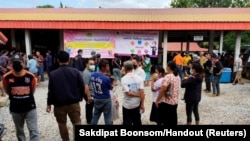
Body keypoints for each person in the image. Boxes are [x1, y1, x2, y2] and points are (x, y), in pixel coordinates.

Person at [46, 51, 86, 141]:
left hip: (59, 105)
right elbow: (82, 86)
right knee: (77, 122)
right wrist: (81, 96)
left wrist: (49, 104)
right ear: (68, 59)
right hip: (74, 103)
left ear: (57, 60)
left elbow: (50, 91)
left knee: (62, 123)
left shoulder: (53, 74)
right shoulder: (75, 72)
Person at [2, 57, 40, 141]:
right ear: (11, 65)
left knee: (33, 130)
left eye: (19, 63)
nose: (17, 65)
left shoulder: (30, 76)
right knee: (19, 130)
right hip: (15, 109)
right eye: (14, 63)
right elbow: (7, 90)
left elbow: (32, 90)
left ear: (23, 63)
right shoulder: (6, 77)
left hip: (30, 107)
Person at [155, 61, 181, 126]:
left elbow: (163, 89)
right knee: (173, 119)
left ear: (168, 67)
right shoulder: (177, 76)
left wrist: (157, 100)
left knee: (166, 120)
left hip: (167, 102)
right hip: (175, 101)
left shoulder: (168, 76)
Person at [121, 61, 144, 125]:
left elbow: (128, 93)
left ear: (125, 68)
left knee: (127, 122)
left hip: (127, 105)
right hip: (137, 104)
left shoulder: (123, 79)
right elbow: (142, 92)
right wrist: (142, 104)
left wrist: (137, 95)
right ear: (132, 68)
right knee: (137, 121)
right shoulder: (139, 78)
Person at [91, 59, 112, 125]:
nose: (108, 67)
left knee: (95, 116)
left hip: (96, 97)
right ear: (103, 67)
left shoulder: (93, 74)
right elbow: (110, 88)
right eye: (107, 66)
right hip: (106, 99)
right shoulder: (106, 78)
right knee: (107, 117)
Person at [82, 58, 95, 124]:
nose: (93, 65)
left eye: (93, 64)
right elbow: (86, 85)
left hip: (92, 92)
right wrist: (89, 96)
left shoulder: (90, 71)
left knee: (91, 106)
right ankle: (89, 120)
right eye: (91, 64)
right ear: (86, 64)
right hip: (89, 93)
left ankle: (90, 118)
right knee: (89, 107)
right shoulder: (86, 73)